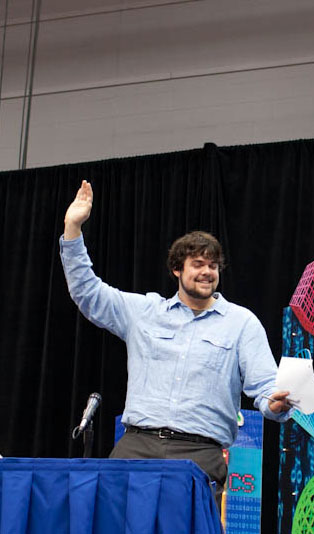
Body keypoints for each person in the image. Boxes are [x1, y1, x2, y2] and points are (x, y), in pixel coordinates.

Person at [61, 180, 292, 505]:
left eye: (213, 266)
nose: (207, 272)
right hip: (136, 447)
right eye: (198, 264)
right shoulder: (144, 311)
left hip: (199, 453)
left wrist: (276, 405)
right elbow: (87, 292)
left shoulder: (242, 323)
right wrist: (73, 228)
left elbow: (266, 388)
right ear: (176, 269)